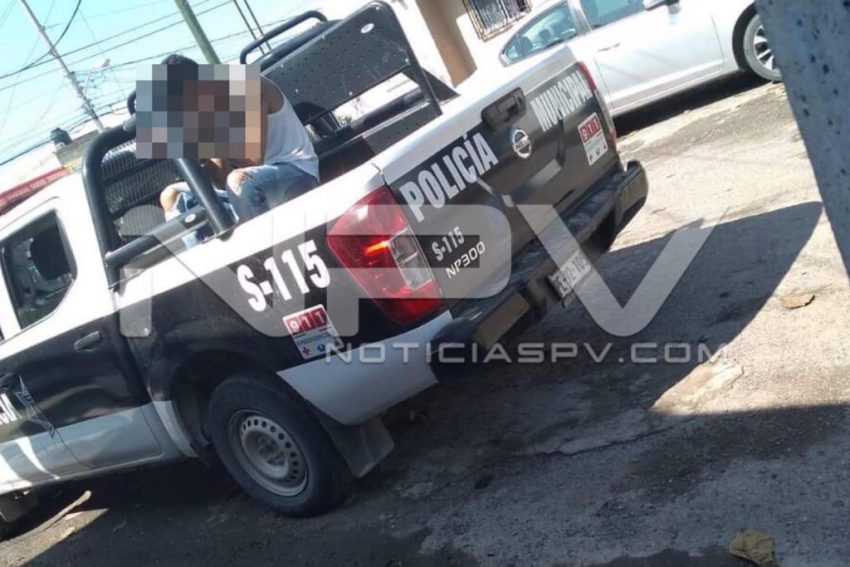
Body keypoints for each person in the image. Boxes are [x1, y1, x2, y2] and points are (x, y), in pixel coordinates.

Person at [157, 54, 319, 227]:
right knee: (170, 195)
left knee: (239, 181)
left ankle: (261, 242)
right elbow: (221, 176)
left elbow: (253, 160)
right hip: (247, 184)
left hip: (296, 172)